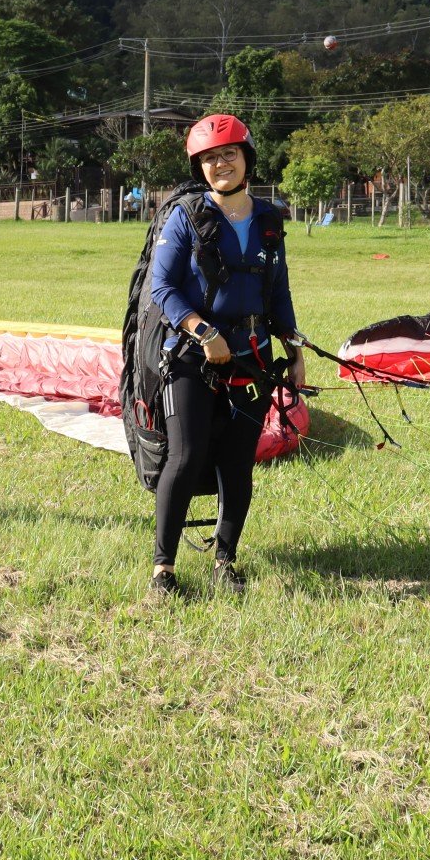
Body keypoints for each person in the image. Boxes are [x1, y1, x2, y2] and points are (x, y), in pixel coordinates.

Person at [144, 114, 305, 599]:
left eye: (229, 154)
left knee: (238, 462)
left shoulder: (269, 220)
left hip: (253, 356)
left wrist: (293, 348)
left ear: (247, 158)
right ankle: (163, 571)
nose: (221, 164)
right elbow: (163, 287)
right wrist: (203, 330)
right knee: (187, 455)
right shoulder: (186, 217)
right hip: (193, 356)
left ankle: (224, 560)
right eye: (210, 158)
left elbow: (277, 291)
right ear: (200, 167)